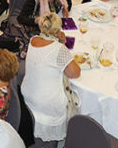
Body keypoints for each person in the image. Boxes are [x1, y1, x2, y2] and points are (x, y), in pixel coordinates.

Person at [22, 13, 80, 146]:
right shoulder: (59, 49)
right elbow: (74, 73)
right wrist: (62, 45)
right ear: (58, 30)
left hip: (28, 94)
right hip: (47, 104)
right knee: (77, 99)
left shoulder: (33, 40)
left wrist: (60, 43)